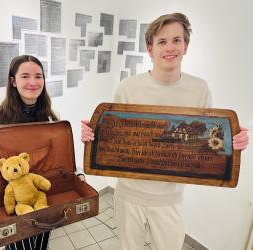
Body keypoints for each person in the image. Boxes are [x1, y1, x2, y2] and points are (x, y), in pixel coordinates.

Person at [81, 13, 249, 250]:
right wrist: (92, 137)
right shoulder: (129, 87)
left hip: (170, 199)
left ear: (186, 46)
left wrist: (234, 140)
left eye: (176, 40)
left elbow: (211, 141)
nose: (170, 48)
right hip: (129, 195)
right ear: (150, 49)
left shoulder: (199, 89)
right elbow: (112, 135)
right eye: (162, 42)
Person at [0, 55, 85, 250]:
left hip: (41, 196)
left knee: (41, 242)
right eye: (25, 76)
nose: (33, 82)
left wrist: (78, 174)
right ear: (13, 81)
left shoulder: (53, 117)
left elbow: (60, 157)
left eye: (39, 76)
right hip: (13, 200)